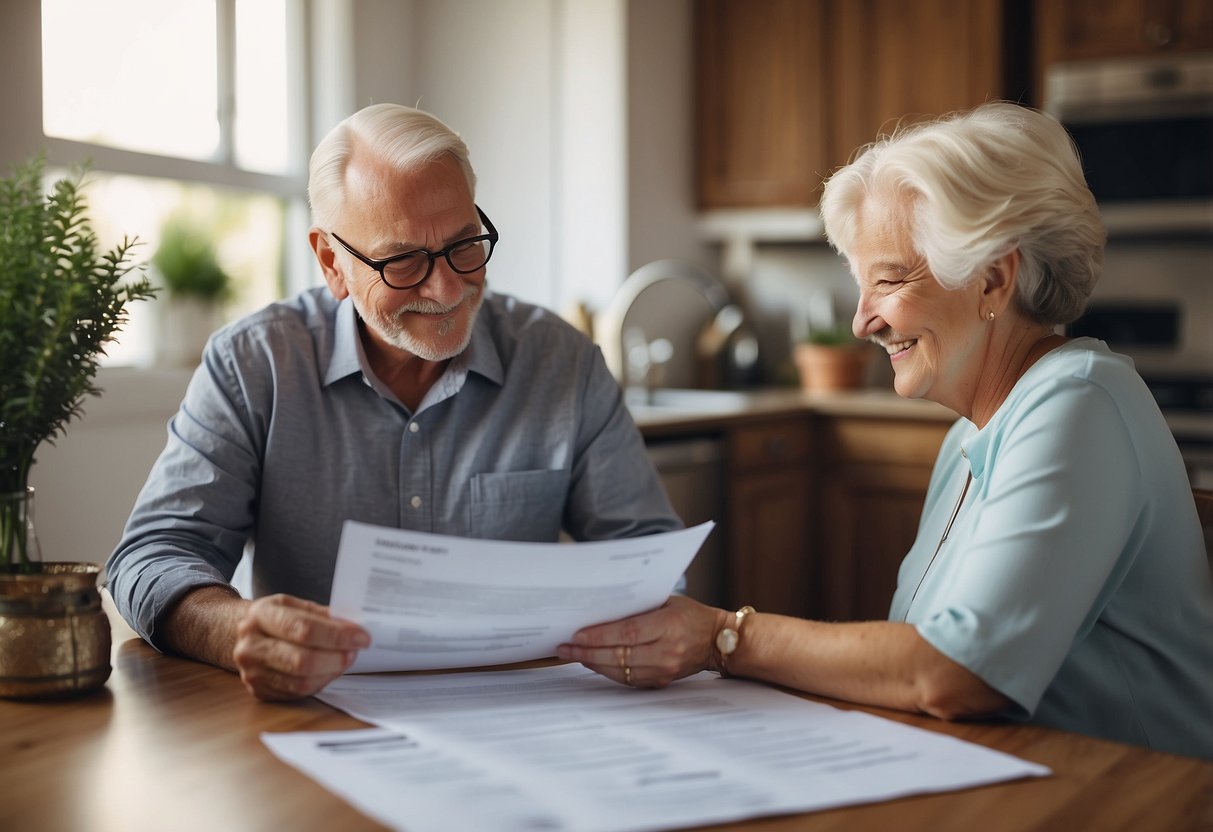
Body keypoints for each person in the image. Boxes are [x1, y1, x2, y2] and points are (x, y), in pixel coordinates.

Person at [558, 101, 1213, 760]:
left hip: (1136, 794)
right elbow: (918, 663)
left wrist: (723, 636)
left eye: (889, 280)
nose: (861, 322)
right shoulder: (969, 437)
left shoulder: (1078, 404)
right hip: (1009, 773)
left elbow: (954, 673)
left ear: (992, 278)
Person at [107, 103, 681, 701]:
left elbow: (648, 561)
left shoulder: (563, 364)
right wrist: (236, 630)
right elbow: (152, 554)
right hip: (318, 717)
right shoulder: (254, 365)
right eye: (403, 260)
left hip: (518, 707)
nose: (449, 288)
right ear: (333, 262)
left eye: (465, 244)